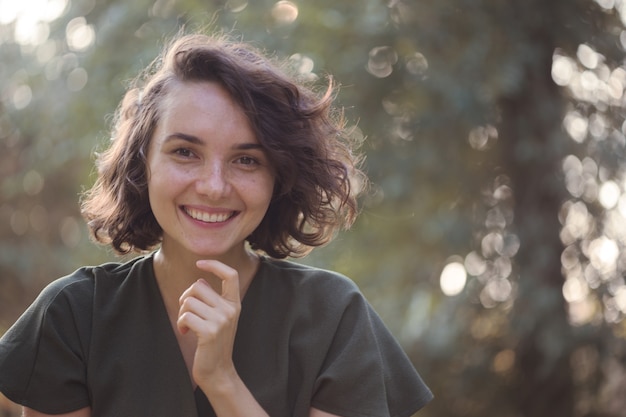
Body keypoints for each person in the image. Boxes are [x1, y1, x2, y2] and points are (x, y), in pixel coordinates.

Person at [0, 31, 433, 417]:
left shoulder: (335, 316)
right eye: (185, 152)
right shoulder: (73, 317)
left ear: (278, 178)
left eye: (246, 160)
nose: (213, 186)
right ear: (142, 163)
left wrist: (223, 382)